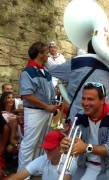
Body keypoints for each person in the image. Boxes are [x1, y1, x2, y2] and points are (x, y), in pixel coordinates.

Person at [60, 82, 109, 180]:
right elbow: (75, 143)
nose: (85, 103)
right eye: (83, 98)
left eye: (90, 99)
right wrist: (67, 145)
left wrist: (87, 147)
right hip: (86, 163)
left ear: (102, 100)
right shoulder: (80, 116)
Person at [48, 40, 109, 121]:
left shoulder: (76, 62)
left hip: (77, 115)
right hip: (102, 116)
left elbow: (53, 70)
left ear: (87, 48)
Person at [18, 41, 57, 170]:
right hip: (35, 112)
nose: (48, 56)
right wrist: (46, 106)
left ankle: (34, 170)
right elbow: (26, 95)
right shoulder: (27, 72)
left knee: (41, 143)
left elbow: (48, 91)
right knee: (29, 144)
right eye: (46, 53)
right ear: (40, 54)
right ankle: (22, 175)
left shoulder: (45, 71)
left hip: (46, 111)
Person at [7, 131, 74, 180]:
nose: (47, 151)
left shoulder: (70, 163)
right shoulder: (44, 158)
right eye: (46, 148)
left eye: (50, 148)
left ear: (60, 147)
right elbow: (18, 176)